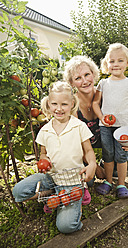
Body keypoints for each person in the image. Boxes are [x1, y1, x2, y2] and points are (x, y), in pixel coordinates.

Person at [13, 81, 97, 234]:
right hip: (51, 177)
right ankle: (53, 193)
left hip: (72, 180)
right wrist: (44, 161)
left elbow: (89, 151)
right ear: (49, 104)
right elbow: (43, 153)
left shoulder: (79, 126)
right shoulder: (44, 130)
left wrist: (92, 164)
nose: (59, 109)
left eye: (64, 104)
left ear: (72, 104)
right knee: (18, 191)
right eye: (54, 104)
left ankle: (78, 192)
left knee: (66, 226)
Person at [92, 43, 128, 198]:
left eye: (120, 60)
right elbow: (95, 103)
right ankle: (108, 182)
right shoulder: (103, 83)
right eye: (112, 61)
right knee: (108, 154)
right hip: (106, 126)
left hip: (124, 127)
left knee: (121, 156)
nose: (115, 64)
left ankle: (121, 184)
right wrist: (101, 118)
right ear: (107, 63)